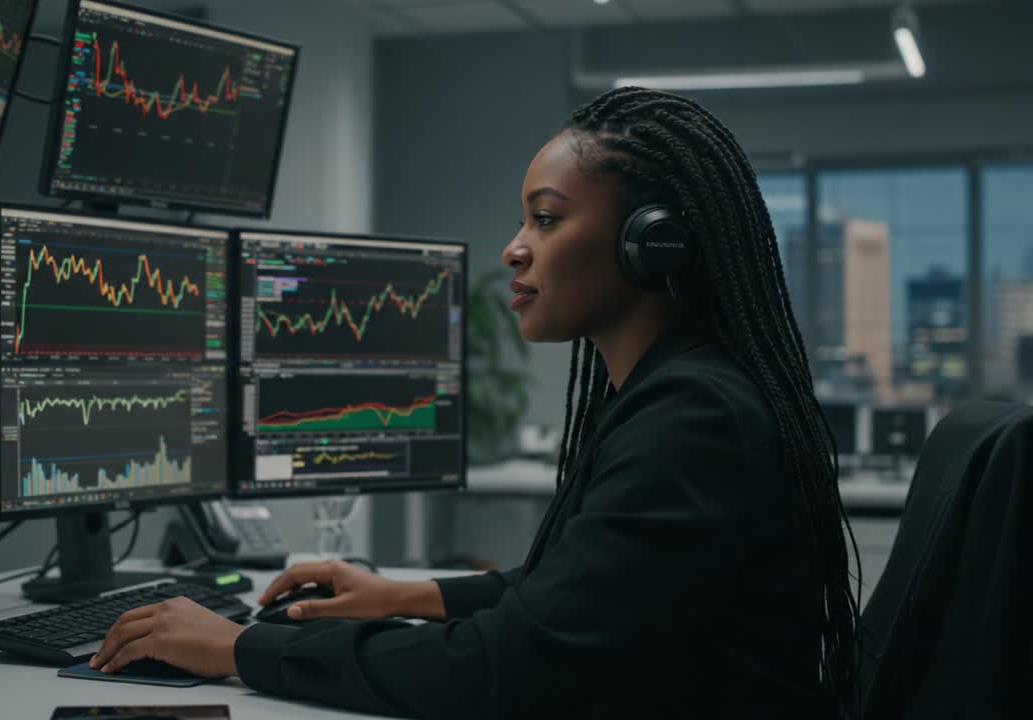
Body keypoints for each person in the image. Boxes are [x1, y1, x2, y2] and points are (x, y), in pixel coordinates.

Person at [89, 87, 862, 719]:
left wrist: (238, 649)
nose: (514, 247)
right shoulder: (674, 394)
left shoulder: (695, 422)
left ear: (650, 243)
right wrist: (401, 594)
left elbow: (506, 668)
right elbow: (570, 595)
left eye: (547, 219)